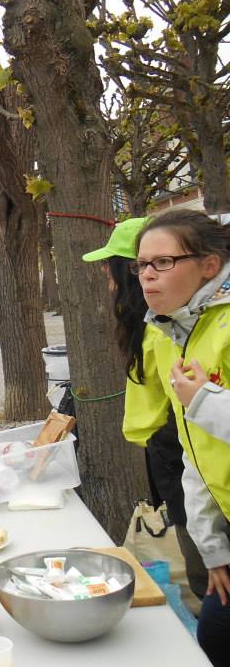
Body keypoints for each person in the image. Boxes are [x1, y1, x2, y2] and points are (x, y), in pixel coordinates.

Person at [83, 218, 207, 611]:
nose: (107, 275)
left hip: (182, 456)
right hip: (169, 453)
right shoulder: (147, 324)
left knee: (204, 567)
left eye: (112, 266)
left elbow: (170, 404)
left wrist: (157, 441)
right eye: (140, 266)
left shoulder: (162, 329)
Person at [124, 209, 230, 666]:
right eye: (141, 265)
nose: (147, 276)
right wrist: (214, 547)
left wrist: (203, 401)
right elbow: (196, 451)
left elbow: (200, 414)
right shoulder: (168, 329)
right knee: (214, 639)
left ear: (209, 265)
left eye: (162, 262)